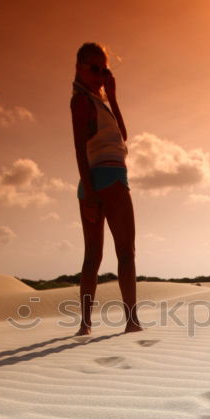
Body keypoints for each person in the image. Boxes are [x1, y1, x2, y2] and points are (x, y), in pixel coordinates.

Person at [71, 42, 142, 335]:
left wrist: (112, 97)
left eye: (105, 69)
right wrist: (89, 193)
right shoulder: (81, 101)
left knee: (94, 256)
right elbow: (78, 149)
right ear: (79, 68)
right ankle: (131, 322)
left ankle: (85, 326)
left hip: (98, 180)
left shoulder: (95, 101)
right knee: (125, 253)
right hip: (108, 179)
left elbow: (122, 137)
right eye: (94, 68)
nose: (100, 74)